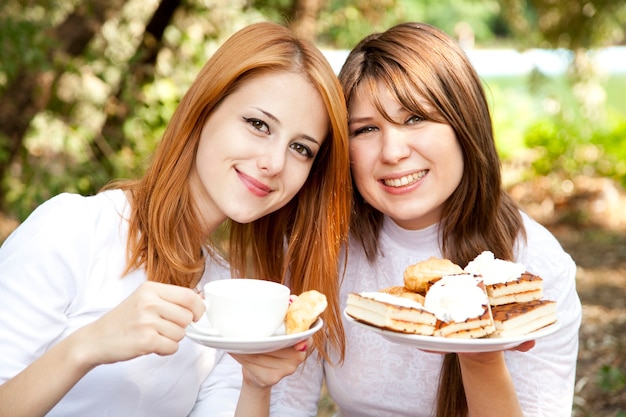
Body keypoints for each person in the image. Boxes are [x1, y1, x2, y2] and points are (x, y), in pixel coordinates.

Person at [0, 21, 351, 417]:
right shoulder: (73, 229)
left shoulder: (226, 293)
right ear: (204, 109)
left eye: (301, 148)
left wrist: (255, 384)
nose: (274, 163)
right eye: (258, 125)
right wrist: (88, 345)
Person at [270, 22, 582, 417]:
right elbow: (288, 403)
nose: (393, 151)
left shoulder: (535, 268)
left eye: (415, 118)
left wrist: (479, 355)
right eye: (366, 129)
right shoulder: (326, 248)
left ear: (464, 125)